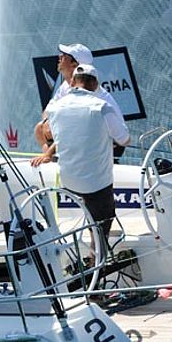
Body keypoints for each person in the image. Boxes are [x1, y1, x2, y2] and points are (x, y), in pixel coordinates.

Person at [44, 64, 130, 247]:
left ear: (73, 82)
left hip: (68, 180)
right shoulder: (102, 107)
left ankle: (92, 233)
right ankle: (97, 253)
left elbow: (50, 134)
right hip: (95, 183)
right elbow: (124, 139)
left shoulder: (55, 108)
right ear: (95, 84)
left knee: (90, 195)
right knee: (105, 214)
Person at [32, 43, 124, 158]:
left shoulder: (89, 88)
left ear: (74, 64)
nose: (59, 56)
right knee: (40, 129)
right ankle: (51, 160)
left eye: (64, 55)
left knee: (65, 128)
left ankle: (51, 158)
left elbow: (77, 127)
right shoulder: (65, 86)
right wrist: (47, 122)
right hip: (80, 136)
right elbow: (47, 111)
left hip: (109, 144)